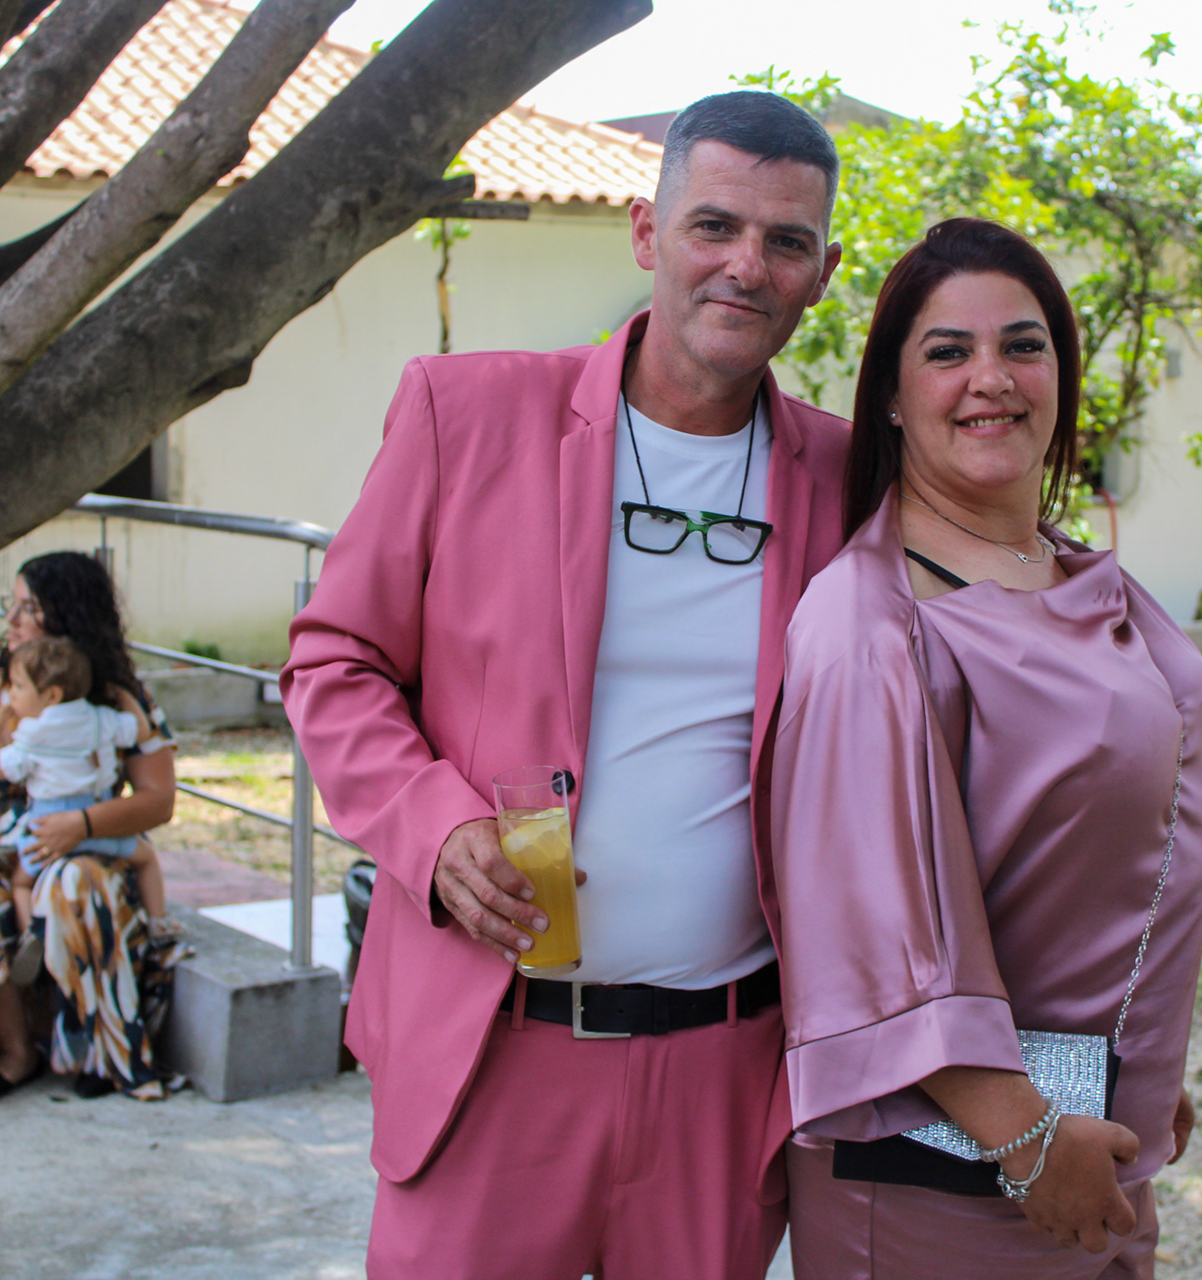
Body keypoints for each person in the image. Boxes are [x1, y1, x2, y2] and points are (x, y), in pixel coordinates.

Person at [282, 90, 849, 1278]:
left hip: (724, 1073)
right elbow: (334, 662)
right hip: (494, 1054)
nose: (746, 266)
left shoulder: (848, 477)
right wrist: (433, 826)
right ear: (647, 232)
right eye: (714, 226)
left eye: (786, 241)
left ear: (823, 273)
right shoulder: (466, 411)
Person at [768, 218, 1202, 1279]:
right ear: (892, 394)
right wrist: (1027, 1135)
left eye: (1024, 345)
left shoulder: (1072, 570)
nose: (992, 377)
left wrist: (1140, 1061)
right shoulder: (872, 623)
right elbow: (871, 939)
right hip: (957, 1181)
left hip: (1091, 1142)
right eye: (948, 352)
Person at [0, 551, 182, 1102]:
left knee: (75, 884)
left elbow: (159, 799)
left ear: (68, 615)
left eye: (28, 608)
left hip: (85, 838)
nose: (10, 620)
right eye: (11, 605)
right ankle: (13, 1051)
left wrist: (81, 824)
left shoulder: (112, 692)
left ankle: (105, 1053)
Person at [0, 635, 177, 984]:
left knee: (20, 882)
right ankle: (159, 923)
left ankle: (30, 932)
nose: (11, 694)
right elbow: (140, 730)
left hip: (46, 828)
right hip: (99, 822)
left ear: (51, 695)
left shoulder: (31, 732)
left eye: (17, 686)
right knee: (146, 858)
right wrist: (126, 695)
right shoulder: (101, 719)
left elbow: (4, 771)